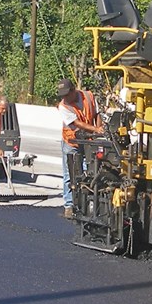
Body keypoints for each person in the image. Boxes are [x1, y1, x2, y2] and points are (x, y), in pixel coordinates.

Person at [57, 78, 103, 218]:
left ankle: (87, 203)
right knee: (70, 174)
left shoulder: (88, 96)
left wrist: (99, 130)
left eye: (66, 95)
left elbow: (97, 113)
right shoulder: (63, 106)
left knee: (89, 171)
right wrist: (96, 130)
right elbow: (77, 123)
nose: (64, 98)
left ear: (73, 90)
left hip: (88, 141)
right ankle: (69, 205)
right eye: (62, 95)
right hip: (71, 142)